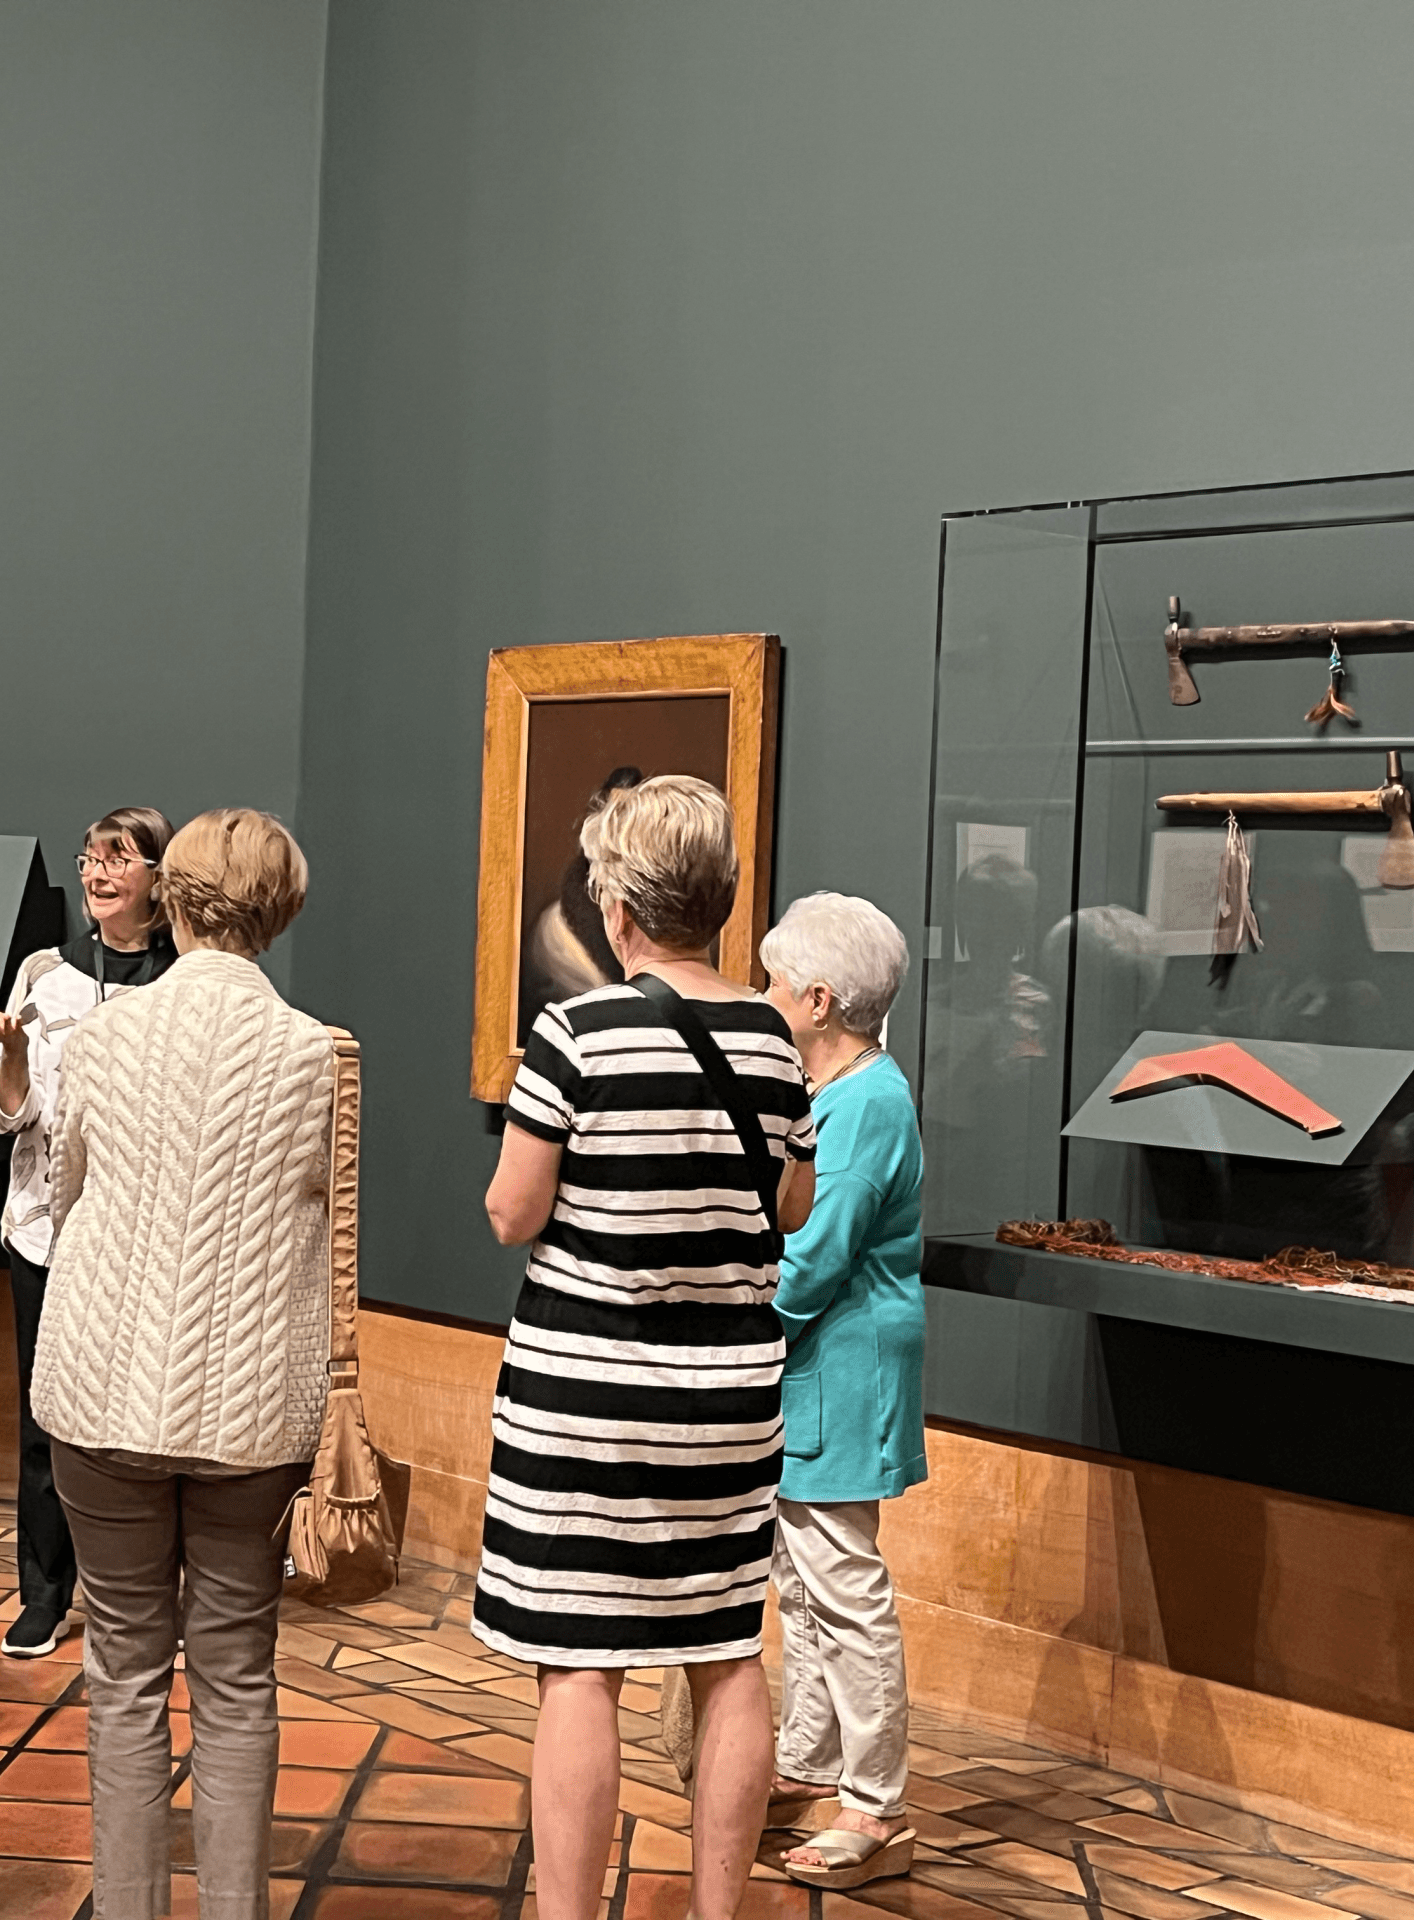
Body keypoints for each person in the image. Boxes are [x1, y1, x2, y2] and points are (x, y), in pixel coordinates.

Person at [474, 774, 817, 1920]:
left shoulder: (575, 1031)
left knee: (580, 1665)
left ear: (618, 906)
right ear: (718, 900)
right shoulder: (772, 1037)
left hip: (585, 1392)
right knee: (725, 1652)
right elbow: (792, 1208)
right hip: (728, 1397)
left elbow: (514, 1211)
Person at [31, 808, 336, 1920]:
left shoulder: (104, 1040)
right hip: (252, 1407)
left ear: (174, 897)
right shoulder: (315, 1052)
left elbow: (68, 1200)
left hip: (100, 1385)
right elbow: (327, 1222)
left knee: (120, 1671)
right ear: (281, 907)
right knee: (238, 1674)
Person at [0, 805, 179, 1659]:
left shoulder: (185, 984)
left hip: (143, 1244)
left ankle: (138, 1595)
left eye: (118, 859)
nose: (97, 873)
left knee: (141, 1421)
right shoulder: (46, 974)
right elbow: (2, 1117)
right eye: (90, 857)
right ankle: (43, 1593)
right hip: (43, 1237)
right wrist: (14, 1061)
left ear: (157, 881)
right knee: (42, 1421)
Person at [756, 891, 926, 1892]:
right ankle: (809, 1760)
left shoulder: (867, 1102)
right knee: (801, 1577)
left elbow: (812, 1261)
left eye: (774, 982)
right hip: (813, 1364)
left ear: (817, 999)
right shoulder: (834, 1090)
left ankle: (873, 1804)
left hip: (841, 1363)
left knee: (843, 1587)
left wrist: (725, 1323)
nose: (762, 995)